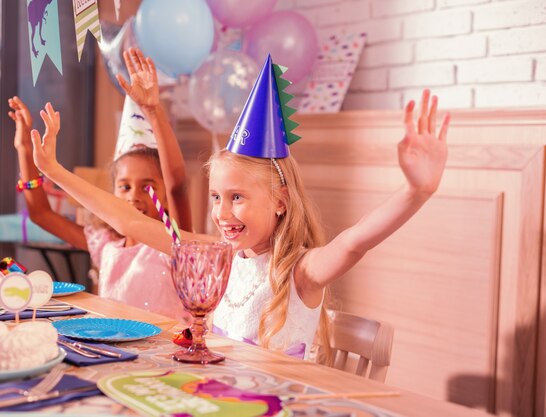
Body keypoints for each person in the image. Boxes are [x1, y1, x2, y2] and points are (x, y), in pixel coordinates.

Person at [30, 55, 449, 359]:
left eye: (237, 198)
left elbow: (354, 244)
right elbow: (129, 222)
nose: (223, 213)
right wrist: (54, 170)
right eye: (217, 197)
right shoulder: (219, 257)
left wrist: (416, 192)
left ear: (281, 201)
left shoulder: (299, 272)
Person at [8, 47, 191, 320]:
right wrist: (24, 148)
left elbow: (178, 185)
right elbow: (41, 214)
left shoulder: (174, 242)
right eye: (125, 186)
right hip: (116, 355)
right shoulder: (104, 243)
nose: (133, 196)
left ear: (164, 194)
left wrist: (153, 111)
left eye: (148, 186)